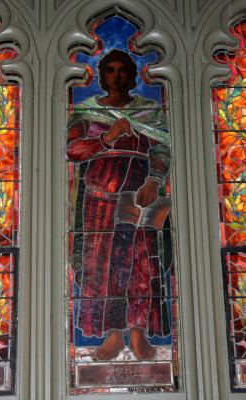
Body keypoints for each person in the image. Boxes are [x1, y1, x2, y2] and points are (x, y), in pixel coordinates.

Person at [67, 49, 171, 361]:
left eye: (122, 69)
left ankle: (138, 333)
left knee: (142, 264)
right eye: (109, 70)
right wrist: (106, 138)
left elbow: (162, 148)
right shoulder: (87, 113)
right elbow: (74, 151)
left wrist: (153, 179)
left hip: (141, 197)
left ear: (132, 75)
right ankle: (112, 335)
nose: (115, 75)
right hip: (99, 197)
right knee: (104, 267)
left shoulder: (149, 112)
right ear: (101, 75)